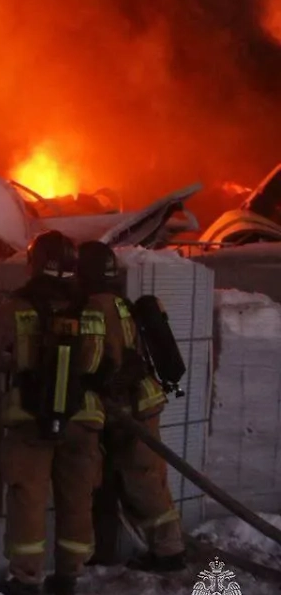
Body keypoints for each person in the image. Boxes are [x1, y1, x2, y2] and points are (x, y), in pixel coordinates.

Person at [0, 230, 107, 595]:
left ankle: (26, 579)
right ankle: (69, 576)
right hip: (84, 418)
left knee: (29, 496)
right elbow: (101, 362)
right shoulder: (93, 309)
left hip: (31, 419)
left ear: (35, 265)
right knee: (77, 497)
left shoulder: (19, 308)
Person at [76, 240, 186, 573]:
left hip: (130, 406)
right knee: (147, 476)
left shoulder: (93, 308)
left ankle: (169, 551)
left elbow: (90, 360)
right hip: (142, 400)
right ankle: (167, 547)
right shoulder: (120, 302)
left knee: (143, 481)